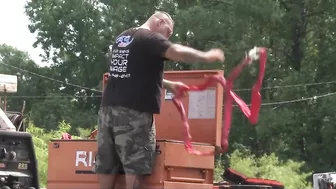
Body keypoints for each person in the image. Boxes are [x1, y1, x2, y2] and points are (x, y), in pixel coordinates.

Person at [93, 11, 225, 189]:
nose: (168, 36)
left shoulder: (123, 37)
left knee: (107, 164)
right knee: (135, 164)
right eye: (168, 32)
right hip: (134, 112)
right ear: (160, 22)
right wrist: (206, 56)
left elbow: (133, 73)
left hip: (107, 110)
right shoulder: (150, 38)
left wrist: (169, 85)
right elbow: (176, 51)